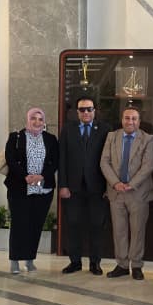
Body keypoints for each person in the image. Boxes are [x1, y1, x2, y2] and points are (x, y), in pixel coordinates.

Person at [57, 96, 112, 275]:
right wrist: (63, 185)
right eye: (82, 109)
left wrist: (109, 187)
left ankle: (95, 263)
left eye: (89, 109)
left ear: (95, 111)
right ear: (77, 112)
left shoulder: (105, 129)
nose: (86, 112)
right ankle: (75, 262)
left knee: (96, 225)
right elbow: (62, 158)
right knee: (73, 224)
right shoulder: (68, 129)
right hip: (73, 188)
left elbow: (110, 159)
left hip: (98, 187)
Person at [100, 106, 153, 280]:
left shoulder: (147, 139)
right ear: (122, 119)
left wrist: (131, 184)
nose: (130, 121)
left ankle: (137, 265)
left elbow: (148, 166)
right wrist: (115, 183)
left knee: (138, 231)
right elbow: (104, 162)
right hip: (116, 192)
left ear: (139, 121)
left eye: (133, 118)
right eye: (127, 118)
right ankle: (122, 265)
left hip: (138, 193)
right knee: (119, 230)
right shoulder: (112, 137)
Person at [5, 107, 59, 274]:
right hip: (20, 188)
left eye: (40, 119)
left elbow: (55, 161)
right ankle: (15, 261)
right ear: (27, 120)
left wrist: (42, 176)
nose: (37, 122)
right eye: (33, 118)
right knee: (19, 225)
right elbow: (10, 159)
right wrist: (25, 176)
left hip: (43, 190)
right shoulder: (16, 137)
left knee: (35, 225)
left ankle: (29, 260)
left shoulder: (50, 139)